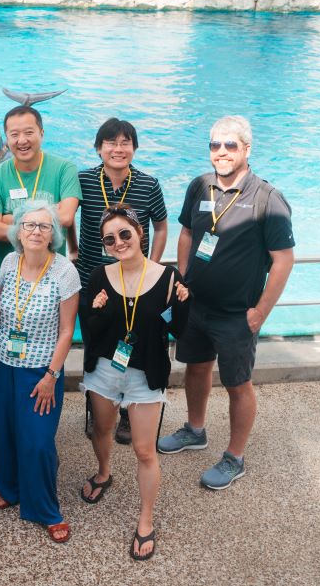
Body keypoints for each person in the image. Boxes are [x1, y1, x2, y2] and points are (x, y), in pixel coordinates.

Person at [157, 116, 295, 490]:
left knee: (238, 384)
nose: (221, 152)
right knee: (196, 369)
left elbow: (283, 258)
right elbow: (186, 233)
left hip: (237, 313)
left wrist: (261, 311)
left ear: (246, 150)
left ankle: (235, 457)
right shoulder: (200, 185)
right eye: (215, 145)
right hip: (196, 305)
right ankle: (195, 430)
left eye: (230, 145)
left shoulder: (267, 198)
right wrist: (182, 281)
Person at [80, 205, 190, 560]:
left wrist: (184, 304)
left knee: (144, 450)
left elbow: (177, 330)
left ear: (140, 233)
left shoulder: (168, 277)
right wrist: (95, 311)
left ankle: (145, 518)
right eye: (109, 238)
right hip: (106, 372)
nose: (118, 242)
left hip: (146, 375)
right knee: (102, 430)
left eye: (125, 234)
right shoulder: (99, 276)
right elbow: (91, 332)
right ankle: (103, 472)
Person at [0, 200, 79, 543]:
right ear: (18, 232)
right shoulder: (9, 261)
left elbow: (67, 331)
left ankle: (45, 509)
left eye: (44, 226)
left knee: (38, 441)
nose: (36, 231)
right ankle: (10, 489)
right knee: (2, 431)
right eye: (29, 225)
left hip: (40, 370)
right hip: (2, 363)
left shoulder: (64, 271)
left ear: (54, 233)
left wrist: (51, 376)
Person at [76, 118, 168, 445]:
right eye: (111, 143)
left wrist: (152, 265)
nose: (118, 149)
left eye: (125, 142)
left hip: (134, 282)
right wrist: (74, 248)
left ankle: (128, 410)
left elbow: (161, 224)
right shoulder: (84, 179)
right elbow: (71, 214)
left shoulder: (148, 184)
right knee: (95, 342)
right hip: (93, 277)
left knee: (132, 339)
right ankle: (95, 405)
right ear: (99, 148)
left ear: (134, 148)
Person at [0, 106, 81, 272]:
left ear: (41, 133)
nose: (22, 140)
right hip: (5, 276)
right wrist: (46, 220)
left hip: (53, 273)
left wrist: (8, 219)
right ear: (7, 138)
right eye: (14, 135)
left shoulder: (64, 169)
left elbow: (66, 217)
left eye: (28, 132)